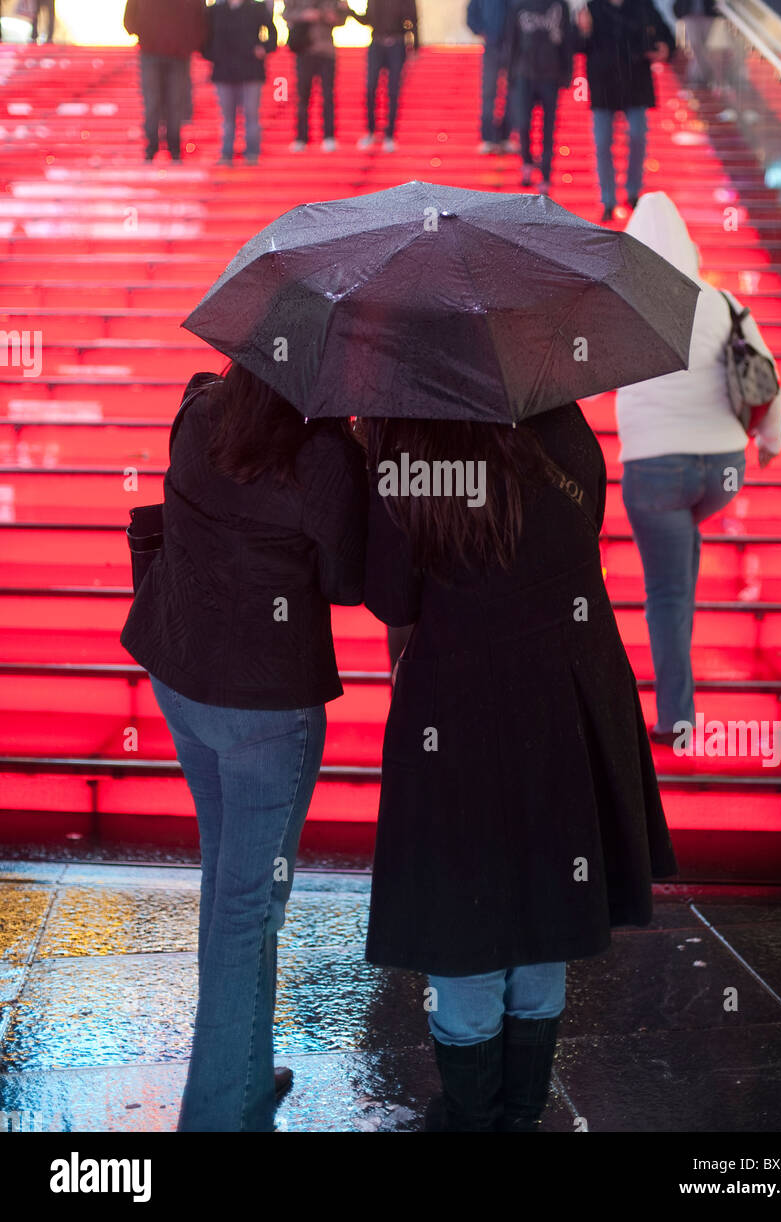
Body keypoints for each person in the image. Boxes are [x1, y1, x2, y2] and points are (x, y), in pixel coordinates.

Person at [360, 406, 678, 1132]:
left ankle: (472, 1110)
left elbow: (388, 594)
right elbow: (584, 529)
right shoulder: (561, 426)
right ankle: (523, 1111)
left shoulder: (408, 442)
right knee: (547, 897)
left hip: (454, 697)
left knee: (463, 905)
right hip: (564, 686)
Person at [120, 364, 367, 1132]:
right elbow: (347, 582)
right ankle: (219, 1113)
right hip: (265, 709)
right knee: (247, 907)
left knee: (232, 891)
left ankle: (247, 1075)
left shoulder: (199, 409)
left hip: (183, 681)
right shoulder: (323, 453)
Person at [617, 193, 781, 745]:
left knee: (665, 592)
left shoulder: (623, 303)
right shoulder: (724, 302)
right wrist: (769, 438)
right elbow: (765, 369)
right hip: (722, 471)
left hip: (655, 471)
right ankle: (684, 563)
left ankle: (677, 718)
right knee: (680, 566)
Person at [574, 0, 675, 222]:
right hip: (603, 84)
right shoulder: (589, 8)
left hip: (635, 80)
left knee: (638, 135)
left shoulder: (640, 3)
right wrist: (583, 31)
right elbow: (578, 47)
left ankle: (632, 191)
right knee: (602, 142)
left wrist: (665, 48)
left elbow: (665, 33)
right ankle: (608, 198)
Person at [123, 0, 206, 162]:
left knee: (174, 103)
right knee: (152, 101)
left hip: (179, 56)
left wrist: (192, 44)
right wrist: (139, 33)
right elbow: (130, 13)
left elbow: (200, 21)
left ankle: (174, 149)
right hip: (151, 52)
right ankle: (151, 148)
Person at [505, 0, 572, 196]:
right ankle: (526, 163)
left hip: (550, 74)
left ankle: (545, 174)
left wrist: (566, 74)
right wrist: (511, 72)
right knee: (523, 123)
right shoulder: (519, 5)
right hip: (524, 73)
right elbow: (512, 41)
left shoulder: (560, 5)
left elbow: (567, 43)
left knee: (548, 127)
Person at [203, 0, 276, 166]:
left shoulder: (256, 7)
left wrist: (264, 48)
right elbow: (206, 36)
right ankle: (227, 153)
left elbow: (273, 34)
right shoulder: (217, 9)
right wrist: (211, 55)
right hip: (225, 69)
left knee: (251, 114)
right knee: (227, 116)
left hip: (250, 68)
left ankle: (252, 152)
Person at [353, 0, 419, 152]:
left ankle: (390, 134)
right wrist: (349, 12)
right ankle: (371, 131)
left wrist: (415, 45)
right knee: (371, 87)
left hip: (397, 43)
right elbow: (368, 18)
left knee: (393, 90)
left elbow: (414, 18)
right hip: (377, 42)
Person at [283, 0, 349, 153]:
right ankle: (301, 136)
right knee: (303, 96)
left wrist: (336, 15)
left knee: (328, 95)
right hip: (305, 49)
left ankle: (329, 136)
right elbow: (286, 13)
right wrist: (304, 15)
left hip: (326, 49)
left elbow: (341, 19)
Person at [466, 0, 521, 153]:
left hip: (515, 47)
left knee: (513, 93)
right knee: (489, 91)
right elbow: (471, 13)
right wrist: (481, 30)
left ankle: (506, 136)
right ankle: (488, 137)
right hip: (493, 47)